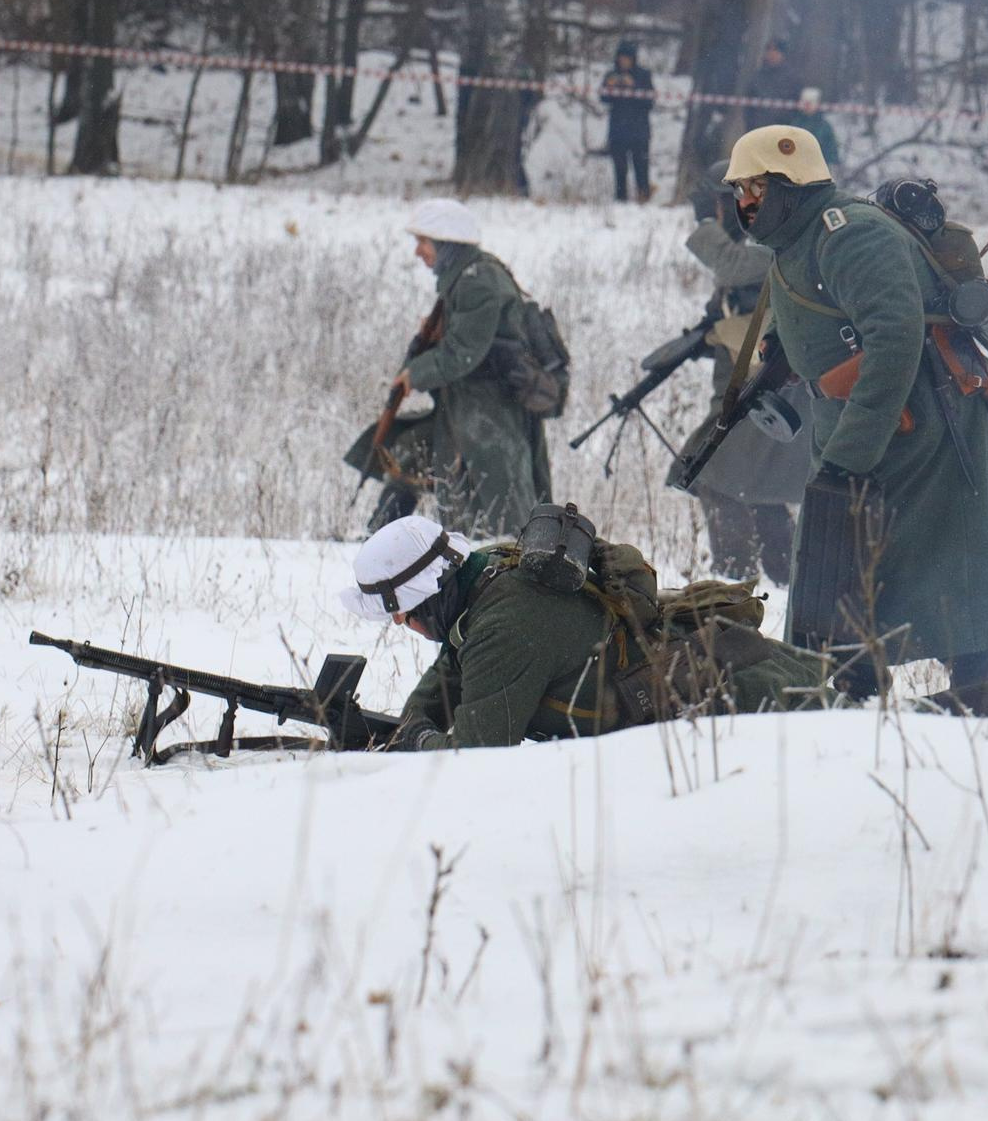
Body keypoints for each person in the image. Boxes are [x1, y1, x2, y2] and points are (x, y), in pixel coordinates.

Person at [723, 123, 988, 690]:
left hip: (930, 421)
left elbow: (894, 338)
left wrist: (850, 453)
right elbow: (822, 310)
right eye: (741, 190)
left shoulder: (849, 234)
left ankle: (980, 683)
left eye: (754, 189)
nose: (744, 203)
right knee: (845, 551)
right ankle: (855, 679)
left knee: (918, 551)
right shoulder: (801, 237)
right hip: (880, 417)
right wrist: (781, 344)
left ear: (787, 185)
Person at [338, 514, 837, 750]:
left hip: (739, 696)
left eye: (400, 612)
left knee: (867, 726)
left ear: (426, 596)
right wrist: (410, 724)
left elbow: (478, 756)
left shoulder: (504, 627)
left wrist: (419, 743)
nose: (402, 623)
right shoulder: (487, 572)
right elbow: (453, 662)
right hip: (721, 665)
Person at [346, 199, 555, 539]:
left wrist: (417, 373)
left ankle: (511, 563)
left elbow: (464, 352)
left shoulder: (478, 281)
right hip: (467, 404)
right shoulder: (465, 277)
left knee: (501, 503)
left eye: (424, 242)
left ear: (447, 245)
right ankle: (379, 539)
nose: (418, 252)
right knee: (411, 451)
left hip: (489, 410)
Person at [681, 170, 815, 582]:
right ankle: (785, 576)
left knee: (716, 472)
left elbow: (735, 265)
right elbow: (734, 295)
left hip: (772, 385)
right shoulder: (763, 238)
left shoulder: (782, 239)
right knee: (759, 482)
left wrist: (707, 225)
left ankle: (733, 577)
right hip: (754, 383)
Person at [598, 40, 656, 203]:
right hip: (618, 130)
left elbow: (649, 101)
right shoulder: (611, 75)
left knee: (641, 167)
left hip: (639, 131)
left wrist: (634, 87)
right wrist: (610, 87)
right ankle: (620, 198)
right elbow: (603, 97)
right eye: (621, 58)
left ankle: (643, 196)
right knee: (620, 168)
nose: (624, 61)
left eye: (627, 58)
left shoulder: (643, 76)